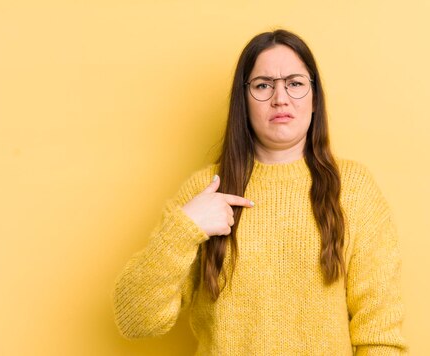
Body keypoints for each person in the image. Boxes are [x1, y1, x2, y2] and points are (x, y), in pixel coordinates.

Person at [113, 29, 409, 355]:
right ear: (244, 100)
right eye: (263, 85)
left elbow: (378, 331)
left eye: (295, 84)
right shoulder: (206, 190)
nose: (280, 98)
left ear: (314, 99)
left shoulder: (353, 189)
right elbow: (136, 321)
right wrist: (183, 229)